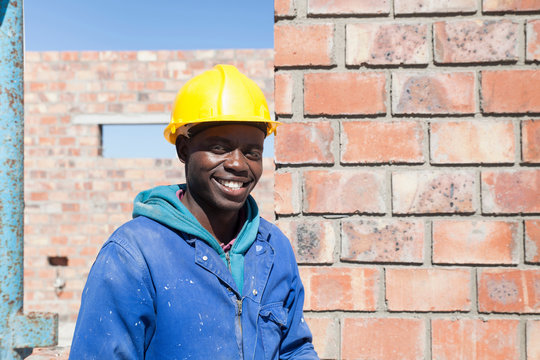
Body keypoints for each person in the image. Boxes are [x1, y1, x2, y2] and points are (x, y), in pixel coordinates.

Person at [69, 64, 319, 359]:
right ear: (184, 150)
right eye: (219, 147)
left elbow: (294, 349)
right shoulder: (134, 255)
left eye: (252, 152)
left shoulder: (274, 248)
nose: (238, 164)